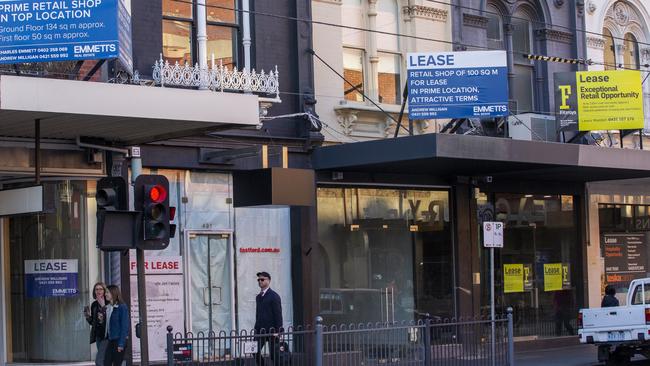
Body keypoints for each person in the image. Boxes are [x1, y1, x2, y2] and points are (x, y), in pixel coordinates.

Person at [254, 271, 283, 366]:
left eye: (262, 279)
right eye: (258, 280)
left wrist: (278, 331)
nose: (260, 281)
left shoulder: (274, 296)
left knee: (274, 355)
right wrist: (256, 329)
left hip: (272, 331)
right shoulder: (258, 297)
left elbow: (278, 314)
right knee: (254, 351)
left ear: (269, 280)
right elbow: (258, 314)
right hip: (260, 331)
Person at [104, 285, 130, 366]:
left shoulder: (122, 307)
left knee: (117, 364)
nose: (105, 294)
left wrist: (121, 344)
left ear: (113, 293)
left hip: (118, 340)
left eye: (107, 292)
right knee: (106, 362)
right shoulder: (108, 307)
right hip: (111, 340)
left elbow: (125, 326)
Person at [85, 282, 109, 366]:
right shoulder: (94, 304)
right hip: (98, 334)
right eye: (96, 289)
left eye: (100, 289)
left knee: (102, 358)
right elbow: (93, 322)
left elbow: (110, 317)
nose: (98, 291)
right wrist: (87, 316)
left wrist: (103, 307)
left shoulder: (108, 302)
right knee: (101, 356)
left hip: (107, 334)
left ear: (104, 290)